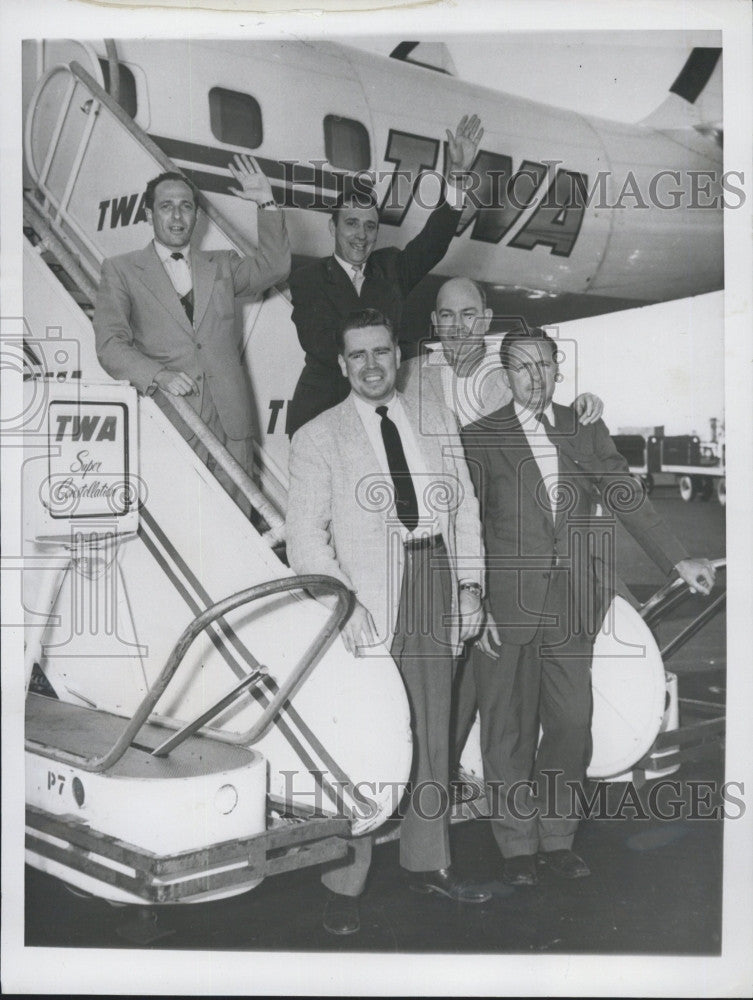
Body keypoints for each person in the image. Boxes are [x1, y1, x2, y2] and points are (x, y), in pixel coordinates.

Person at [459, 326, 716, 886]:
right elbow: (466, 529)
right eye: (524, 367)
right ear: (506, 375)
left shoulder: (581, 426)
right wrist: (473, 601)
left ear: (558, 368)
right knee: (508, 730)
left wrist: (678, 560)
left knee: (573, 723)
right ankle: (517, 847)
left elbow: (626, 493)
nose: (536, 377)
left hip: (571, 602)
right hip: (506, 609)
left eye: (546, 365)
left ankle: (557, 835)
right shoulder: (477, 437)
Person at [286, 308, 490, 935]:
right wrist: (343, 602)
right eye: (358, 356)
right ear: (343, 365)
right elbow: (305, 539)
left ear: (396, 355)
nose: (372, 365)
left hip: (434, 579)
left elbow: (465, 511)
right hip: (368, 596)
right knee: (369, 735)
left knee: (432, 729)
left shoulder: (435, 421)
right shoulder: (317, 436)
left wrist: (470, 585)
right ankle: (344, 885)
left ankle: (429, 862)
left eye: (381, 352)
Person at [93, 157, 290, 507]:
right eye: (166, 207)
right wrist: (160, 375)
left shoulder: (222, 265)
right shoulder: (120, 270)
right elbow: (110, 345)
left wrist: (266, 201)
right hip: (171, 419)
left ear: (198, 217)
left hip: (232, 424)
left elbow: (274, 267)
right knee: (183, 519)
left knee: (238, 524)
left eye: (186, 207)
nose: (177, 216)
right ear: (148, 215)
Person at [286, 114, 484, 437]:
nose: (360, 235)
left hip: (379, 420)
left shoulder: (390, 267)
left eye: (370, 226)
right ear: (332, 227)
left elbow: (433, 243)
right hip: (324, 419)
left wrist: (458, 177)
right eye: (351, 223)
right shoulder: (309, 279)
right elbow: (324, 346)